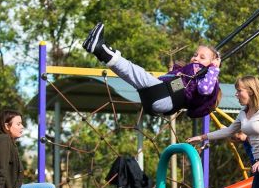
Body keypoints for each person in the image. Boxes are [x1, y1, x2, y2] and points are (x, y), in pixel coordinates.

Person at [83, 21, 221, 118]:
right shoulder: (188, 77)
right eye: (195, 55)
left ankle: (101, 48)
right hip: (158, 97)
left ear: (210, 63)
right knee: (131, 74)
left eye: (202, 57)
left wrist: (214, 68)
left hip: (164, 97)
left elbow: (205, 90)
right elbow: (178, 84)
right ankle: (100, 51)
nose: (196, 58)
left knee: (134, 72)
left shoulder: (206, 77)